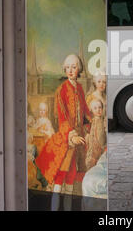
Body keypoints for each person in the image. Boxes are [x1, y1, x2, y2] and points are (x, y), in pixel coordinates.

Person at [35, 54, 91, 211]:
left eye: (74, 67)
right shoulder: (61, 89)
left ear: (78, 69)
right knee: (59, 184)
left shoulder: (79, 88)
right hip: (66, 140)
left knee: (70, 185)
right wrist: (72, 135)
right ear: (65, 69)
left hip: (79, 140)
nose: (71, 70)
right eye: (68, 68)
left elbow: (86, 112)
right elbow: (62, 117)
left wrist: (90, 124)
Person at [85, 99, 106, 171]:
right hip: (93, 147)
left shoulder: (103, 121)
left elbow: (103, 136)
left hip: (101, 146)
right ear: (91, 110)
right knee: (90, 163)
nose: (98, 110)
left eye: (100, 107)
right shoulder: (93, 121)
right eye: (95, 108)